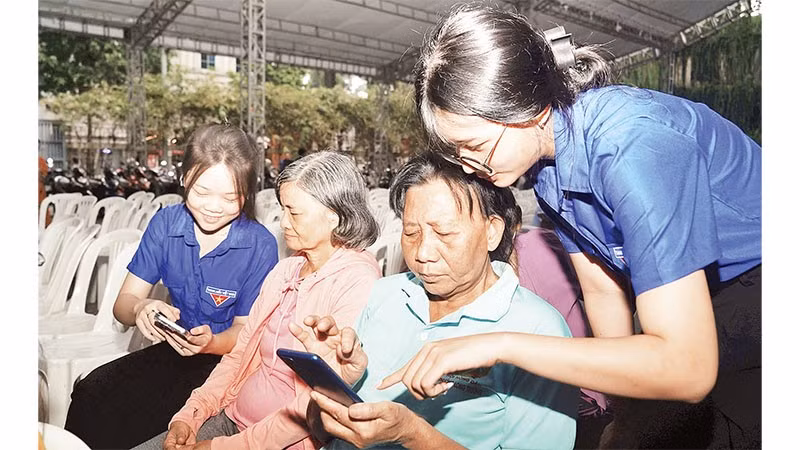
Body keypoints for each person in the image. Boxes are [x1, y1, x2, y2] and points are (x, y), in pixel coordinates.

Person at [406, 4, 761, 448]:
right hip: (706, 291)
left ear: (526, 108)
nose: (467, 166)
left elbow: (687, 368)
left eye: (472, 145)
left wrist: (501, 344)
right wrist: (624, 417)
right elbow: (602, 292)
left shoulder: (631, 145)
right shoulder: (548, 172)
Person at [291, 152, 577, 449]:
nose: (423, 253)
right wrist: (332, 386)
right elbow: (320, 430)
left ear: (492, 231)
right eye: (411, 232)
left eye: (444, 233)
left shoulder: (539, 330)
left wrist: (413, 435)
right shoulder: (386, 294)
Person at [134, 151, 381, 450]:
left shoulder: (357, 280)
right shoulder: (288, 269)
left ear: (335, 214)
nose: (284, 222)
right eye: (282, 210)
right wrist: (190, 416)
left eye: (294, 212)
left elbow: (312, 405)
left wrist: (220, 447)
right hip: (234, 418)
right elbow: (239, 354)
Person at [64, 124, 280, 449]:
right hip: (177, 349)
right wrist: (141, 308)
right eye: (201, 191)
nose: (213, 206)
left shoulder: (259, 245)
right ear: (183, 180)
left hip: (229, 362)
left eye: (229, 196)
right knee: (91, 393)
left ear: (247, 194)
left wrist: (211, 342)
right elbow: (123, 304)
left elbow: (246, 333)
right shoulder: (166, 225)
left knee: (148, 420)